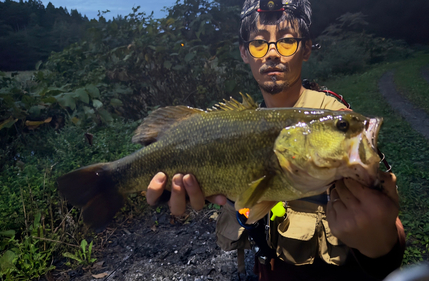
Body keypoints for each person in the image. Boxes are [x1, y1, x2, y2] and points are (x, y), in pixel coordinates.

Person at [146, 0, 405, 280]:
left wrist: (380, 243)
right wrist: (181, 190)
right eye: (259, 43)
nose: (271, 53)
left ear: (305, 48)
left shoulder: (336, 121)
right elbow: (236, 193)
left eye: (286, 42)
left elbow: (385, 221)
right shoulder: (241, 124)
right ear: (245, 53)